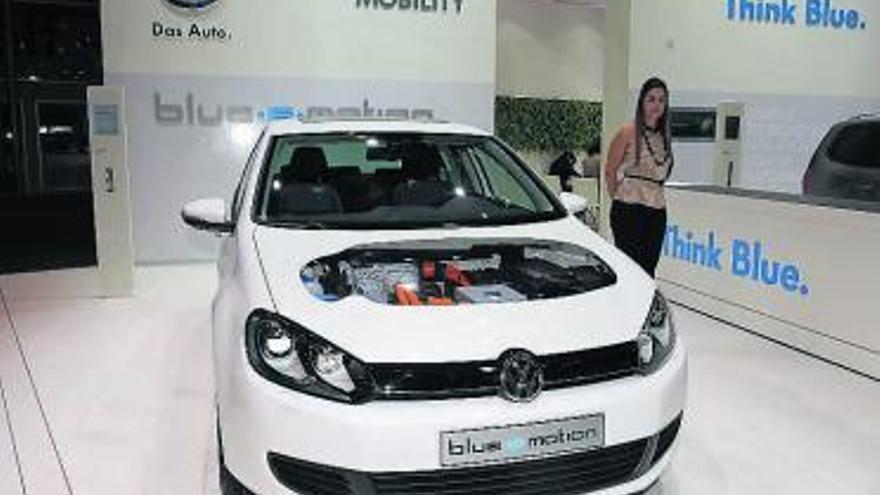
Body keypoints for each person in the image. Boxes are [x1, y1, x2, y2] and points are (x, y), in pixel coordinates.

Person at [604, 77, 674, 277]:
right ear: (642, 101)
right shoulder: (628, 132)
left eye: (661, 100)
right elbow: (610, 171)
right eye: (651, 99)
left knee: (648, 270)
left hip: (657, 210)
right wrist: (619, 199)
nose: (656, 105)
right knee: (630, 271)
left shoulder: (664, 136)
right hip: (630, 208)